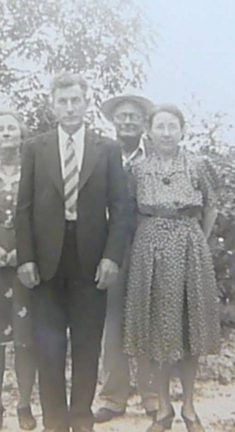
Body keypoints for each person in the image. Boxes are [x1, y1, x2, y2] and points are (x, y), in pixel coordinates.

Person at [16, 72, 130, 432]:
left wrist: (112, 257)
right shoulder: (35, 147)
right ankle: (54, 423)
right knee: (48, 347)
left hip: (92, 260)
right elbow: (24, 207)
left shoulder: (107, 149)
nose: (69, 108)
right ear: (52, 106)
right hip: (47, 261)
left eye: (75, 101)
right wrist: (27, 258)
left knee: (86, 344)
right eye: (62, 102)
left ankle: (81, 419)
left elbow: (121, 207)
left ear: (86, 103)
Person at [123, 104, 220, 432]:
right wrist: (147, 243)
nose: (165, 132)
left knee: (190, 330)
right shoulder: (137, 168)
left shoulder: (197, 164)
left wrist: (198, 240)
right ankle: (163, 409)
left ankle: (189, 408)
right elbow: (129, 212)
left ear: (182, 130)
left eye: (172, 126)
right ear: (149, 130)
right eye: (160, 126)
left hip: (189, 247)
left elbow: (211, 204)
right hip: (149, 251)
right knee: (157, 332)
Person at [94, 94, 158, 423]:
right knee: (113, 321)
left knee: (146, 317)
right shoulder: (102, 154)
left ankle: (152, 396)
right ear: (113, 122)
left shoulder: (155, 156)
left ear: (144, 122)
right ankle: (113, 397)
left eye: (134, 116)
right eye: (122, 116)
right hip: (111, 246)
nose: (128, 121)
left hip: (149, 243)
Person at [0, 111, 37, 431]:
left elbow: (43, 216)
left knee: (26, 339)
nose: (6, 133)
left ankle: (25, 405)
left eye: (12, 127)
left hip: (26, 263)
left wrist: (24, 253)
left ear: (21, 133)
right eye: (0, 128)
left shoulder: (33, 170)